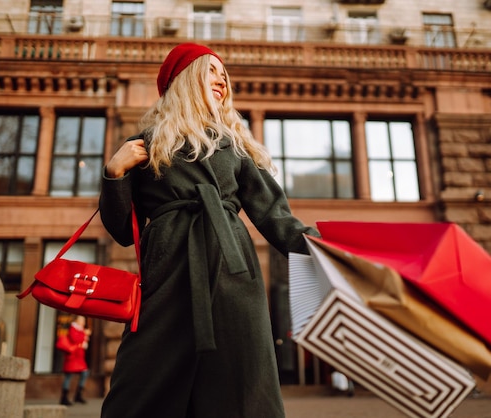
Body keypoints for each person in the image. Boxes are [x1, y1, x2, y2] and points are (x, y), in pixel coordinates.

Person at [99, 42, 320, 418]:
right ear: (185, 80)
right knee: (141, 380)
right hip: (167, 271)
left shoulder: (235, 145)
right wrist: (114, 174)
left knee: (240, 380)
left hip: (232, 272)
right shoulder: (146, 145)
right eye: (211, 71)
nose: (221, 81)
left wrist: (324, 248)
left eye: (224, 74)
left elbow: (273, 215)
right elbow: (121, 230)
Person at [56, 315, 91, 406]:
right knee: (68, 377)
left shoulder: (80, 330)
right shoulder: (74, 329)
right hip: (72, 357)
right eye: (81, 320)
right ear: (77, 321)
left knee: (85, 373)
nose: (83, 322)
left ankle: (78, 395)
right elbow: (76, 339)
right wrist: (84, 333)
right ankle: (64, 397)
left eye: (83, 320)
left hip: (78, 358)